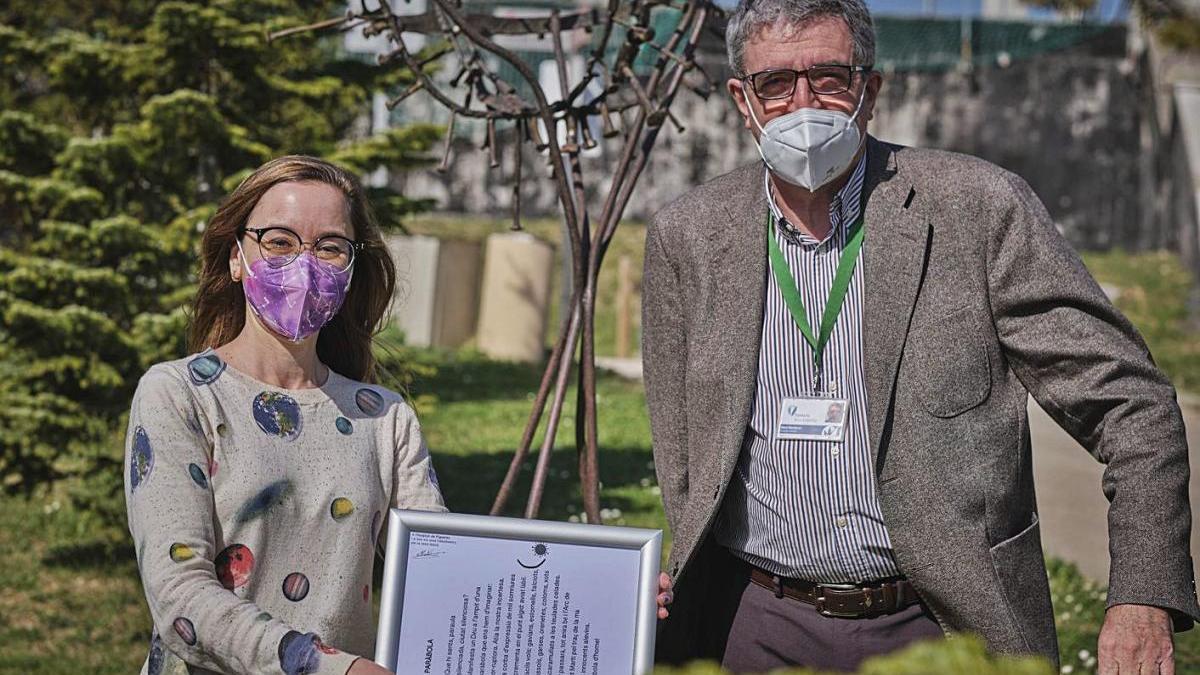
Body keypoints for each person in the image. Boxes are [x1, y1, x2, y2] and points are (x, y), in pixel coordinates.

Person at [641, 1, 1199, 672]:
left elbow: (1130, 405)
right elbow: (682, 452)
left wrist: (1142, 595)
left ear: (870, 90)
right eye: (776, 83)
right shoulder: (688, 236)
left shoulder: (978, 209)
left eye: (829, 76)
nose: (803, 102)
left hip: (940, 626)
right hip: (748, 623)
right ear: (742, 99)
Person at [124, 155, 445, 675]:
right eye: (279, 241)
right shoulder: (179, 395)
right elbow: (179, 597)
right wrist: (329, 668)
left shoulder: (385, 419)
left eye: (330, 247)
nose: (304, 262)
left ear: (350, 267)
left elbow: (440, 576)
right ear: (236, 257)